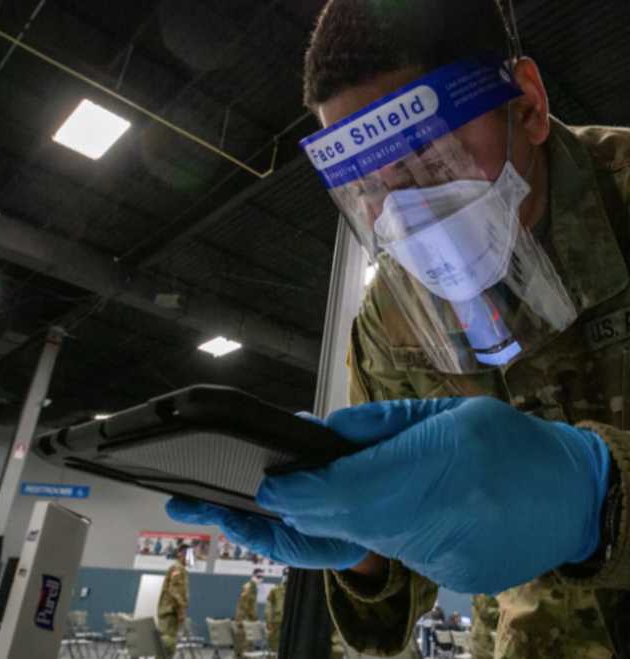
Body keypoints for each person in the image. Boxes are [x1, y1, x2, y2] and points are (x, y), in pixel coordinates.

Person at [167, 1, 630, 658]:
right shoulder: (391, 317)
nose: (406, 213)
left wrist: (601, 495)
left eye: (431, 159)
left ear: (526, 103)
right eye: (372, 187)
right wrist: (365, 548)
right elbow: (404, 581)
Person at [157, 543, 190, 656]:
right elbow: (175, 592)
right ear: (181, 554)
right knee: (167, 646)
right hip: (171, 613)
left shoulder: (178, 568)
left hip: (169, 612)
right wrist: (181, 611)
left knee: (166, 646)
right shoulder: (178, 569)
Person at [234, 568, 262, 657]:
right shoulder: (250, 587)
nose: (260, 578)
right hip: (245, 621)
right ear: (253, 576)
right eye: (258, 576)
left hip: (245, 620)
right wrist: (254, 618)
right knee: (244, 648)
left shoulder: (251, 587)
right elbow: (246, 605)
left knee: (244, 648)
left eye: (261, 577)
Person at [265, 569, 287, 652]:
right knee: (275, 647)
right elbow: (269, 607)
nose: (287, 577)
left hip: (290, 623)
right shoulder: (275, 590)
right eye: (285, 574)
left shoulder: (296, 591)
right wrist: (269, 622)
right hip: (277, 622)